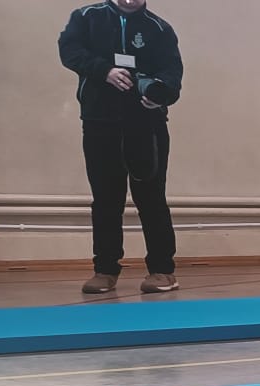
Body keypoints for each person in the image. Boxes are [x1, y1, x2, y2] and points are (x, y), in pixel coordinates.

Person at [58, 0, 183, 295]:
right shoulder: (86, 17)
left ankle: (162, 270)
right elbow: (70, 51)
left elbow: (172, 72)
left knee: (151, 198)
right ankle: (105, 270)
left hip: (147, 125)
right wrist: (104, 71)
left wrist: (161, 95)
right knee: (105, 199)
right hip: (100, 123)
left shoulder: (160, 28)